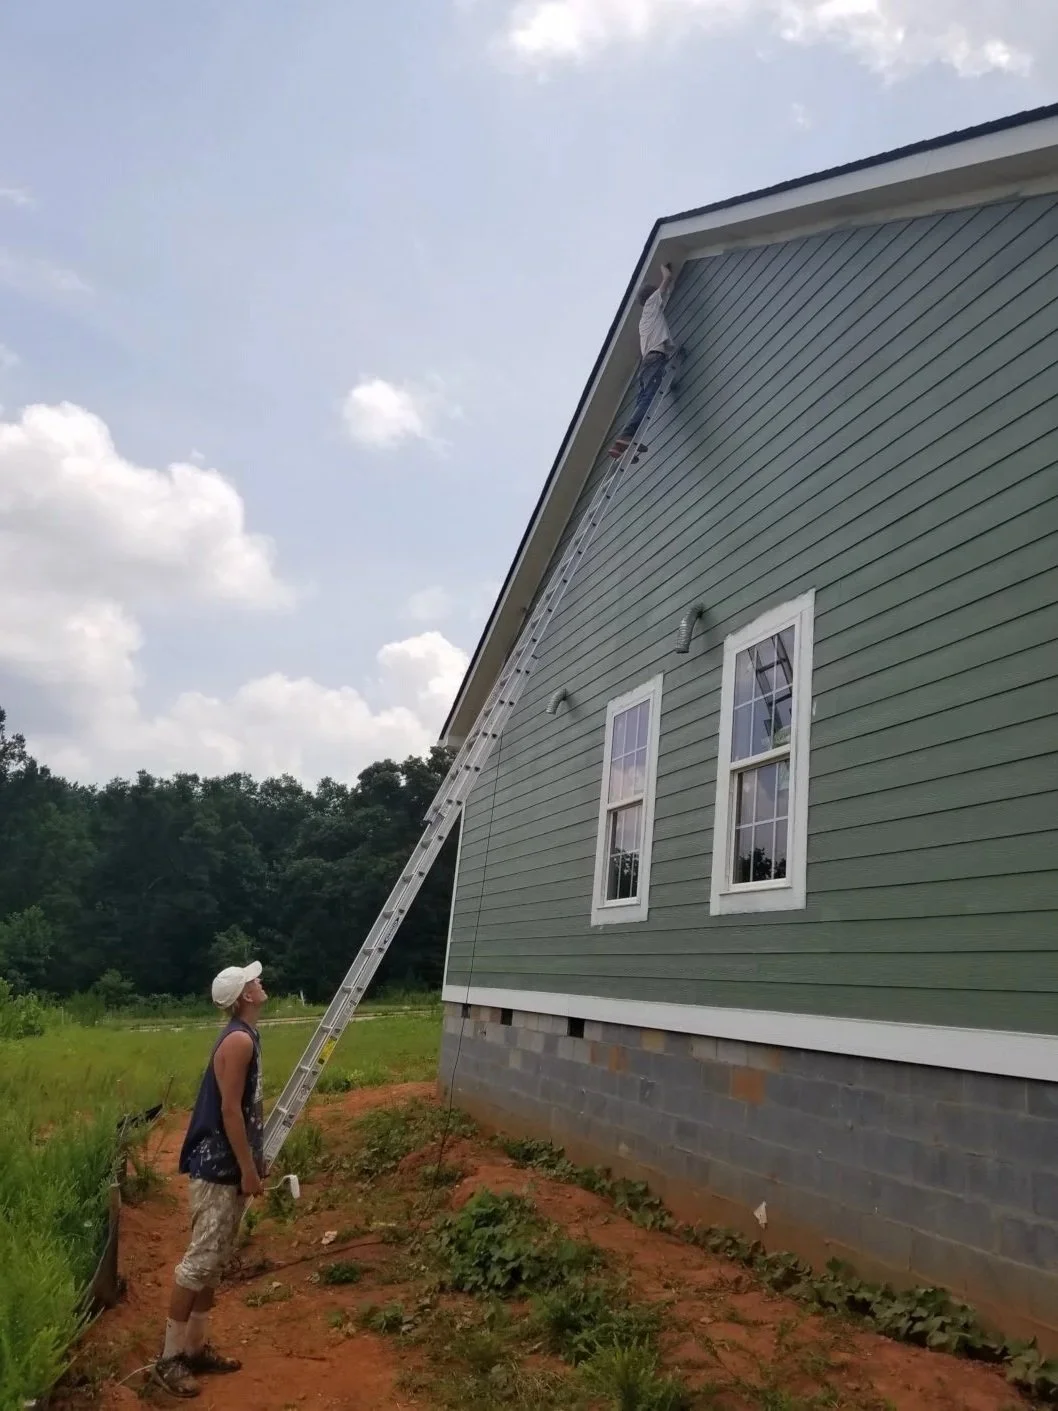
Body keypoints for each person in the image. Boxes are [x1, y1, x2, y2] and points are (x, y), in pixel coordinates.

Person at [151, 961, 268, 1398]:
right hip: (218, 1167)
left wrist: (253, 1159)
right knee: (199, 1261)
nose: (260, 982)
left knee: (214, 1261)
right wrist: (249, 1169)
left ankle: (196, 1348)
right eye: (254, 981)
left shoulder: (246, 1034)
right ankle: (169, 1359)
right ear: (245, 997)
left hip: (229, 1164)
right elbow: (229, 1111)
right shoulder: (238, 1040)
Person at [609, 261, 677, 458]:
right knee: (648, 399)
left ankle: (626, 442)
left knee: (642, 400)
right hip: (655, 360)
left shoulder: (645, 320)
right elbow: (667, 280)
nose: (661, 296)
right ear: (651, 297)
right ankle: (626, 436)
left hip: (647, 364)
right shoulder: (651, 305)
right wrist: (664, 268)